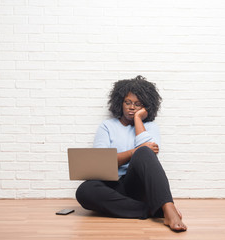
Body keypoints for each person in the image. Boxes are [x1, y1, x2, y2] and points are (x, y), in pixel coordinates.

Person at [76, 75, 187, 231]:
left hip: (136, 184)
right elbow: (102, 162)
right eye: (127, 102)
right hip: (112, 184)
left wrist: (138, 119)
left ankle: (169, 210)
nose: (131, 107)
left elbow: (148, 156)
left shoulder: (151, 127)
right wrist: (134, 151)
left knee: (144, 152)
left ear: (145, 107)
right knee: (84, 191)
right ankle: (152, 210)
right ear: (120, 102)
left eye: (137, 104)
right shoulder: (107, 126)